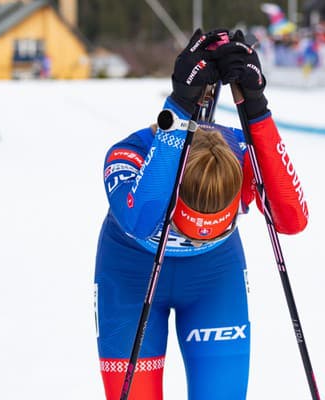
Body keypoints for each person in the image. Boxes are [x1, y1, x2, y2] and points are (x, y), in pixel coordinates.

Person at [94, 29, 308, 400]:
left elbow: (292, 219)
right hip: (131, 280)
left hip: (213, 281)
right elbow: (141, 220)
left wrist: (256, 108)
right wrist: (178, 104)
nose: (199, 234)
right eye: (188, 225)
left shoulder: (241, 154)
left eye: (215, 222)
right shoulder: (129, 155)